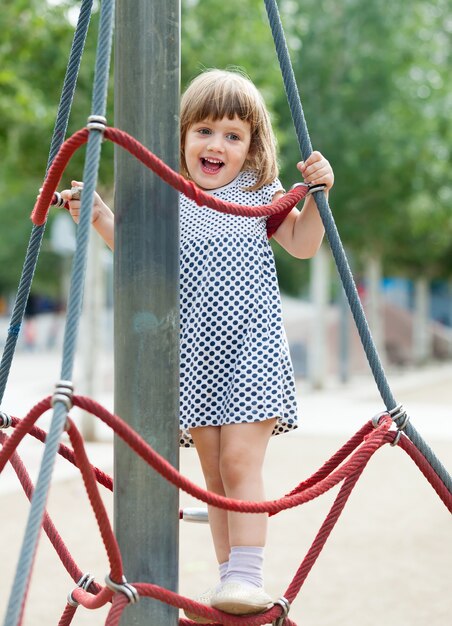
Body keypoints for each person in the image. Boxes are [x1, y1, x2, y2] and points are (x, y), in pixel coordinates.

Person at [61, 68, 334, 621]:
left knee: (238, 460)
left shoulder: (258, 195)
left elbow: (303, 245)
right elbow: (140, 256)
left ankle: (248, 574)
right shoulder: (169, 196)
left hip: (252, 347)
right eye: (205, 131)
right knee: (212, 475)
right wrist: (96, 215)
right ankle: (229, 584)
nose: (217, 145)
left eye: (234, 136)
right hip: (197, 355)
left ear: (252, 147)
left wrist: (322, 196)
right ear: (182, 137)